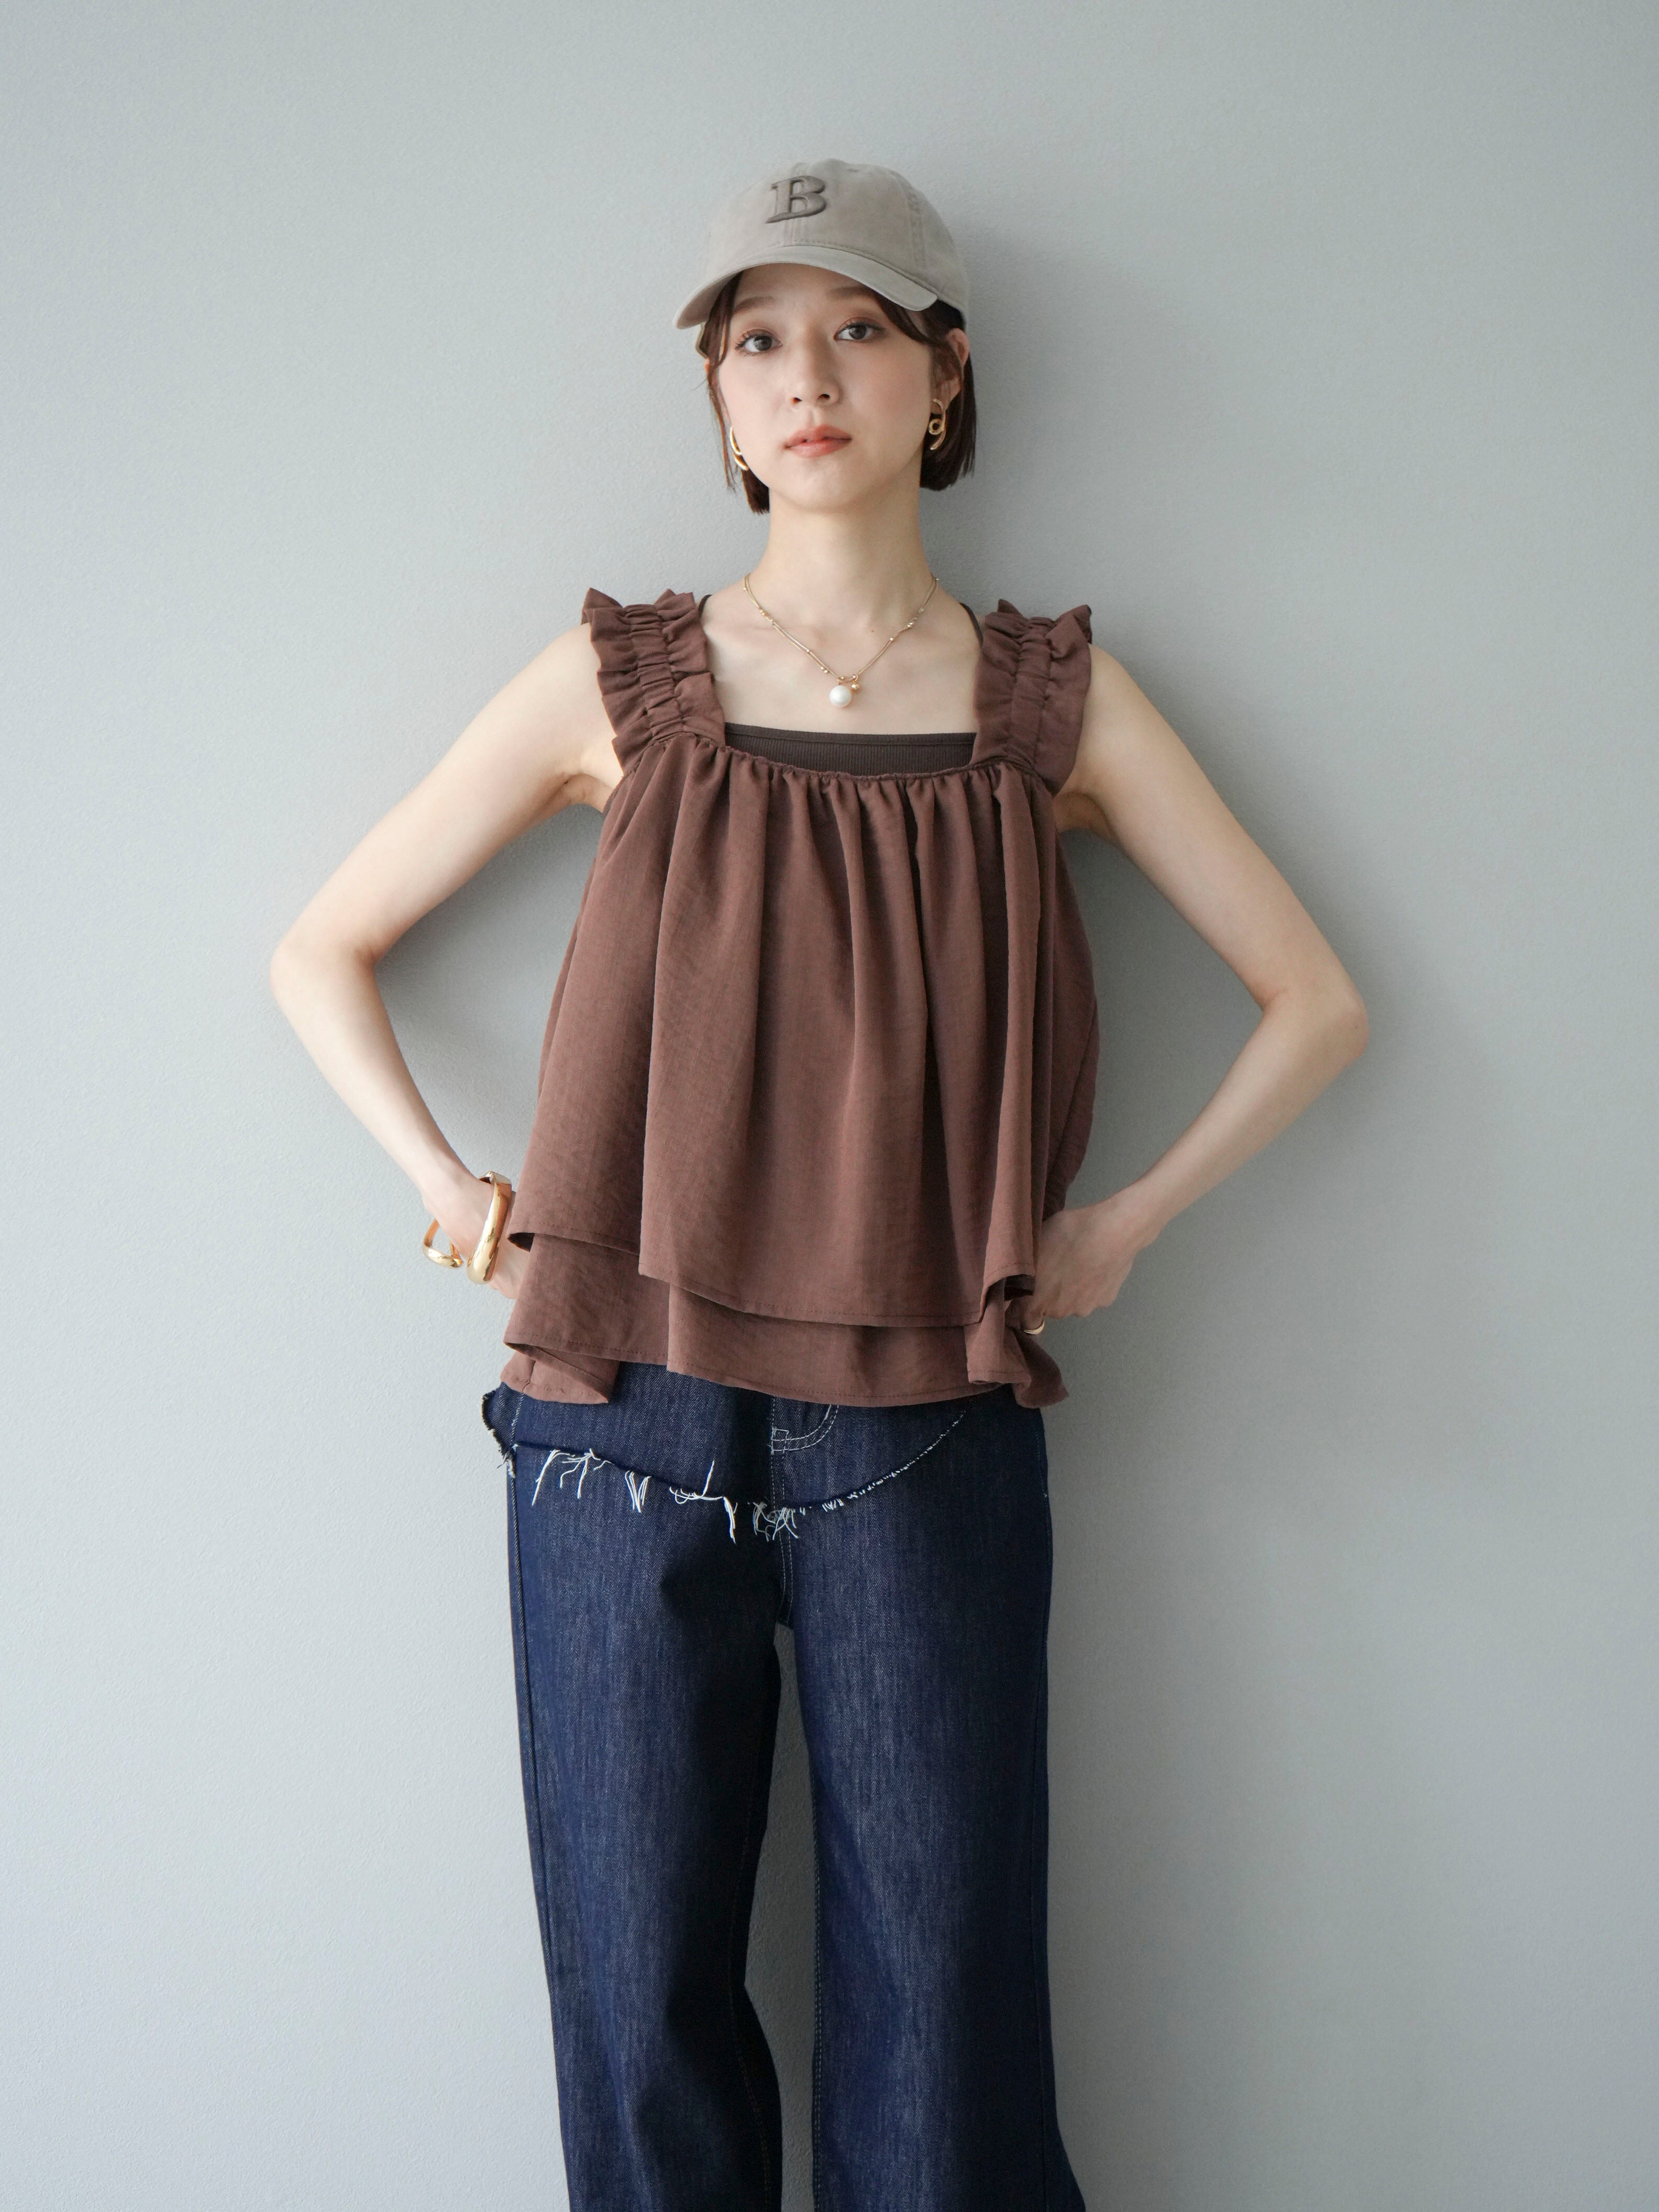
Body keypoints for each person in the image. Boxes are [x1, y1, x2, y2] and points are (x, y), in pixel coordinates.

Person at [270, 158, 1367, 2211]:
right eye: (759, 338)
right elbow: (323, 947)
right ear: (715, 392)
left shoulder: (1046, 705)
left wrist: (1121, 1224)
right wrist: (442, 1175)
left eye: (860, 329)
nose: (809, 377)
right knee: (637, 2013)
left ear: (946, 377)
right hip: (618, 1413)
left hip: (928, 1417)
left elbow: (1316, 1001)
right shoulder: (624, 681)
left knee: (945, 2018)